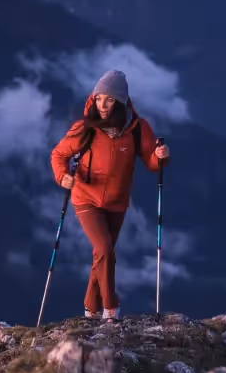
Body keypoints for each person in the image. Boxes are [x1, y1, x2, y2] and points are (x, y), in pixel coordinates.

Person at [49, 70, 170, 321]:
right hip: (86, 198)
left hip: (117, 203)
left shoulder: (137, 129)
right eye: (99, 98)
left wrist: (160, 158)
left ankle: (90, 309)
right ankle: (111, 310)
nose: (102, 105)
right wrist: (63, 177)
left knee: (101, 255)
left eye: (109, 99)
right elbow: (59, 154)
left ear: (121, 101)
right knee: (104, 248)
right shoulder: (86, 128)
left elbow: (150, 161)